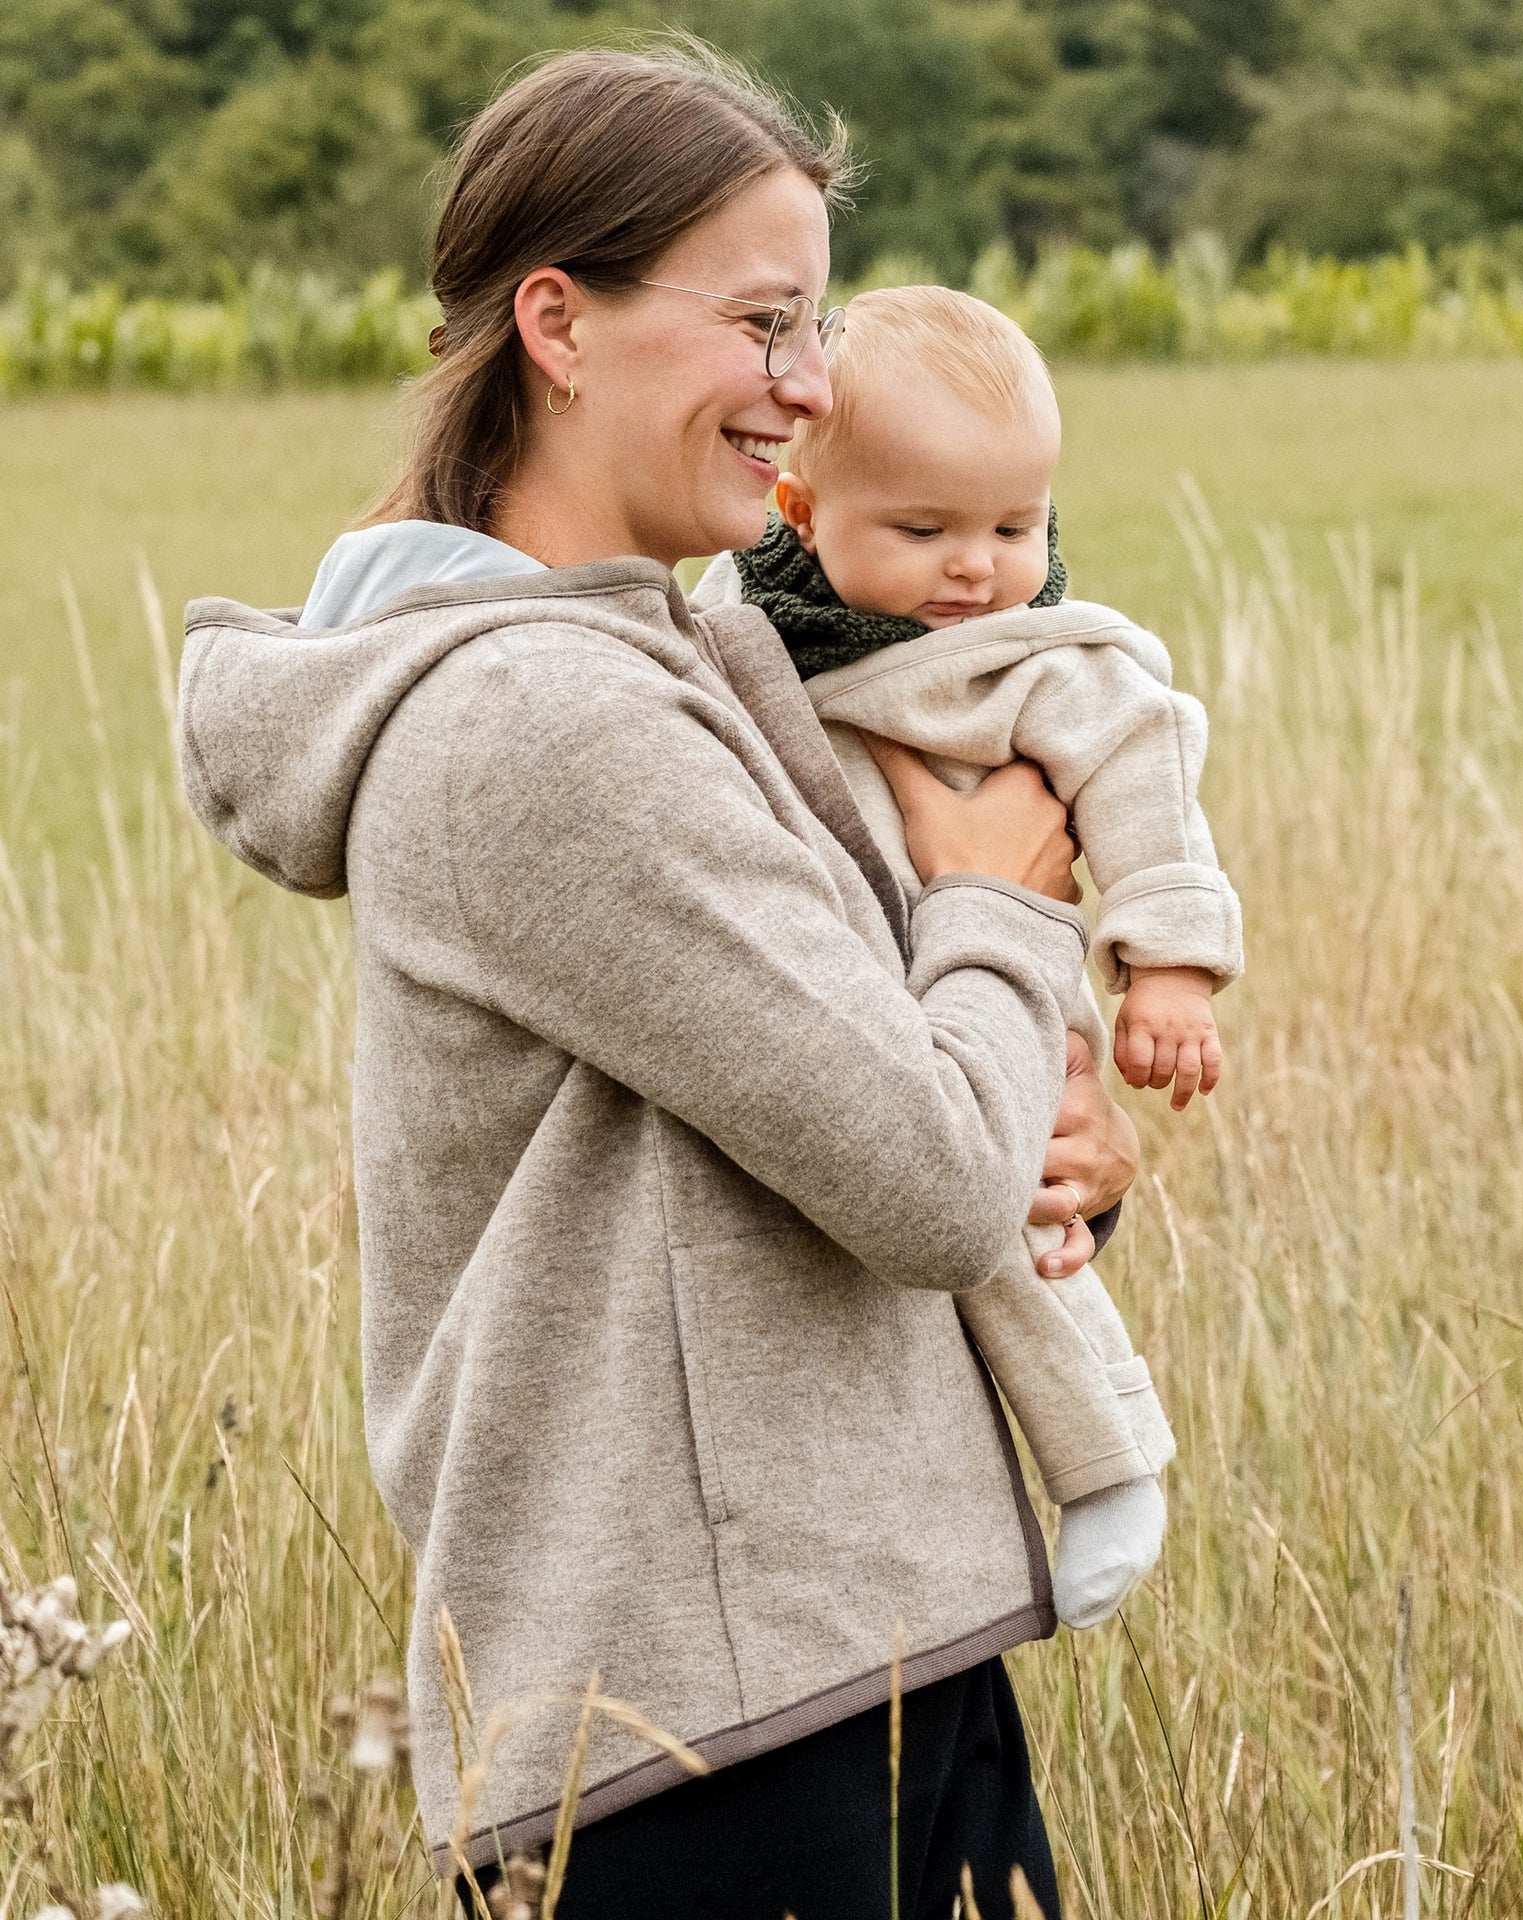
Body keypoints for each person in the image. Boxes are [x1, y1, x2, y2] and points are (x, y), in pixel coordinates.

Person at [177, 44, 1140, 1920]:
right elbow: (932, 1174)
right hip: (711, 1730)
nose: (812, 385)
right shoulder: (548, 723)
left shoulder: (688, 658)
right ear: (560, 319)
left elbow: (916, 1142)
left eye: (820, 320)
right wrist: (1007, 903)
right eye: (766, 320)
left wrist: (1043, 1112)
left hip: (829, 1650)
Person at [695, 284, 1245, 1629]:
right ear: (800, 516)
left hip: (1010, 974)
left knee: (1024, 1227)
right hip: (852, 987)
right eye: (924, 528)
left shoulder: (1042, 657)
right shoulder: (732, 632)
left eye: (1015, 526)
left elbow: (1142, 774)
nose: (975, 568)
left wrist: (1169, 967)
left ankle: (1109, 1460)